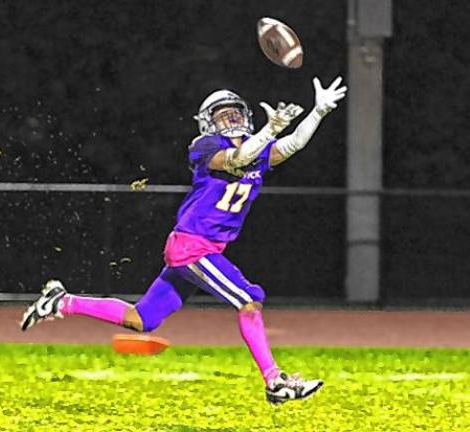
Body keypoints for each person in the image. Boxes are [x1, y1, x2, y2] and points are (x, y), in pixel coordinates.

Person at [21, 76, 347, 404]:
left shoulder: (258, 147)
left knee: (141, 319)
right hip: (193, 246)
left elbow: (290, 146)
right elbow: (236, 160)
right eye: (223, 115)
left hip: (196, 249)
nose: (231, 118)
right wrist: (269, 131)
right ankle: (274, 381)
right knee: (249, 301)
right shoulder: (205, 147)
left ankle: (62, 301)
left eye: (235, 112)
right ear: (209, 123)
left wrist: (318, 112)